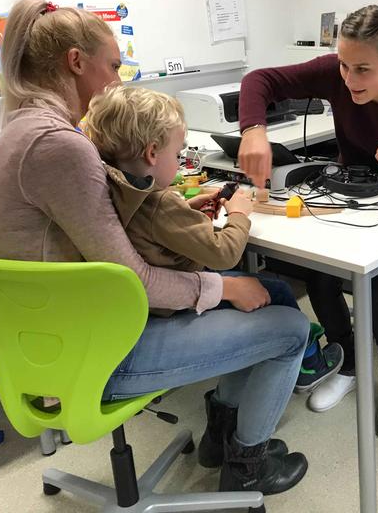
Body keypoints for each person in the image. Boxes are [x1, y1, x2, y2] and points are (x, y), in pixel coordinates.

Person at [0, 0, 309, 496]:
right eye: (113, 66)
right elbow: (135, 280)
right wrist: (222, 287)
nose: (117, 79)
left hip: (46, 350)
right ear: (75, 62)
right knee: (288, 327)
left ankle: (221, 435)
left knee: (252, 297)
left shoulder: (19, 133)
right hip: (95, 356)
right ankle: (247, 464)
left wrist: (177, 218)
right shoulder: (61, 146)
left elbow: (112, 237)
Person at [238, 4, 378, 439]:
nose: (348, 79)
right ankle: (350, 364)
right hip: (348, 200)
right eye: (343, 66)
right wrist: (253, 130)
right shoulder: (337, 73)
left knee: (376, 284)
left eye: (362, 70)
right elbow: (258, 81)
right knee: (321, 271)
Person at [84, 83, 343, 392]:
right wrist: (239, 213)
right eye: (178, 153)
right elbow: (224, 254)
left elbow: (156, 228)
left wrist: (186, 210)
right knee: (280, 293)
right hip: (176, 304)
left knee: (267, 288)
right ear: (152, 152)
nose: (181, 161)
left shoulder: (118, 189)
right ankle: (306, 364)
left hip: (146, 306)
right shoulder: (161, 204)